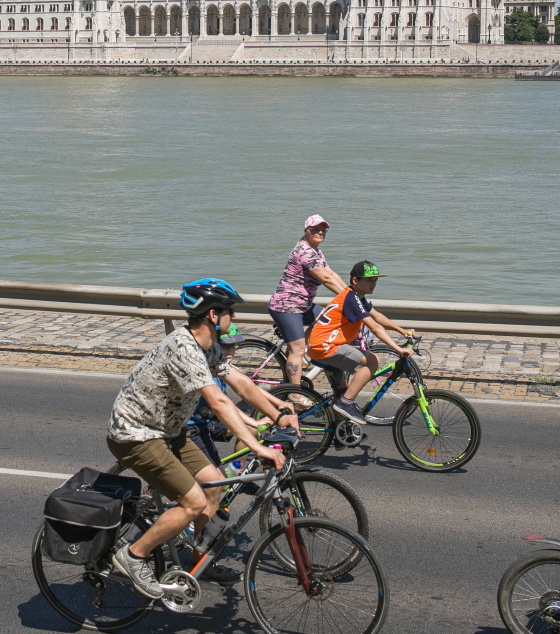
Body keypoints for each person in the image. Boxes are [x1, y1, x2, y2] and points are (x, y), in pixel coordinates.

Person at [108, 278, 299, 598]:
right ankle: (132, 555)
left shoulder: (205, 346)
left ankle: (199, 564)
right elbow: (219, 402)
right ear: (213, 315)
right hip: (136, 435)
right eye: (229, 311)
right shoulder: (184, 348)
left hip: (169, 431)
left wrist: (278, 411)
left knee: (214, 487)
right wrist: (256, 446)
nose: (233, 318)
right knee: (194, 501)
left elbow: (240, 383)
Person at [306, 261, 416, 424]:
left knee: (342, 389)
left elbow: (377, 316)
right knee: (372, 361)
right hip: (326, 347)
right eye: (369, 280)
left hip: (323, 346)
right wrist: (398, 349)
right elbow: (375, 327)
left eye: (375, 280)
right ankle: (346, 403)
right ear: (355, 281)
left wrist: (402, 330)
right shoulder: (351, 299)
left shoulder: (356, 296)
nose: (373, 284)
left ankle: (338, 430)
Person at [266, 216, 347, 386]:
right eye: (315, 229)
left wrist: (351, 294)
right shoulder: (305, 251)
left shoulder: (316, 251)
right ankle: (295, 395)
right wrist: (351, 299)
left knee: (329, 316)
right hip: (287, 307)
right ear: (306, 231)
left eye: (323, 230)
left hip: (303, 306)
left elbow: (332, 274)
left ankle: (302, 345)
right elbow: (326, 279)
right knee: (298, 350)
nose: (320, 232)